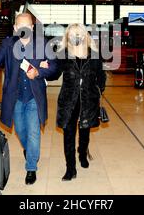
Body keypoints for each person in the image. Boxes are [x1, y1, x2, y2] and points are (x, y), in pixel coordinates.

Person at [0, 13, 58, 185]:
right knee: (20, 129)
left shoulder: (43, 45)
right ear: (15, 28)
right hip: (15, 97)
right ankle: (29, 151)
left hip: (34, 97)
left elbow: (55, 68)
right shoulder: (8, 44)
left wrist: (39, 72)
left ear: (32, 28)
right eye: (20, 27)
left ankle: (31, 168)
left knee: (34, 132)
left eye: (27, 26)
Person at [44, 23, 106, 181]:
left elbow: (101, 75)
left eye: (78, 33)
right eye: (72, 34)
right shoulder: (62, 55)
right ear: (67, 37)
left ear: (85, 35)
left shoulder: (94, 55)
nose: (75, 37)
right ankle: (70, 168)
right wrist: (45, 68)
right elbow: (53, 74)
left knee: (85, 130)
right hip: (68, 99)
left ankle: (83, 153)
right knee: (68, 133)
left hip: (88, 99)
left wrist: (99, 89)